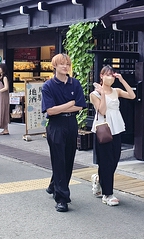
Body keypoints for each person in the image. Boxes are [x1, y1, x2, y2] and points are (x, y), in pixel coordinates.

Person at [42, 53, 85, 212]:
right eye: (62, 64)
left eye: (67, 64)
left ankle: (55, 184)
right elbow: (50, 111)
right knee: (59, 159)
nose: (65, 67)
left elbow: (79, 106)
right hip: (56, 125)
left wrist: (63, 107)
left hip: (71, 123)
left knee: (68, 159)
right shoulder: (48, 86)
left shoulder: (75, 84)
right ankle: (62, 198)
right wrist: (69, 104)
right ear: (55, 66)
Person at [90, 66, 135, 206]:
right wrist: (102, 93)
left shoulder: (117, 91)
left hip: (116, 128)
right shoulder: (94, 94)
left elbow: (132, 95)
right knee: (105, 162)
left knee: (114, 160)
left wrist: (122, 80)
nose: (110, 77)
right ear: (101, 76)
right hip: (103, 129)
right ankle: (107, 194)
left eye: (112, 75)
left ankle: (98, 179)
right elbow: (102, 110)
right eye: (107, 75)